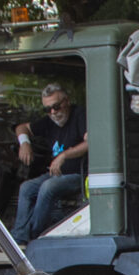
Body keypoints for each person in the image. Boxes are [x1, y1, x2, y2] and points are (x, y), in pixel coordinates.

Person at [11, 83, 88, 244]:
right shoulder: (49, 121)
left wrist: (64, 155)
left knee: (48, 187)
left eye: (56, 107)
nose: (53, 113)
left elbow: (90, 142)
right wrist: (24, 143)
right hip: (54, 174)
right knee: (26, 188)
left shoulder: (79, 115)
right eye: (48, 109)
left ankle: (35, 235)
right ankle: (19, 238)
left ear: (66, 101)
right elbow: (22, 127)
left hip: (78, 174)